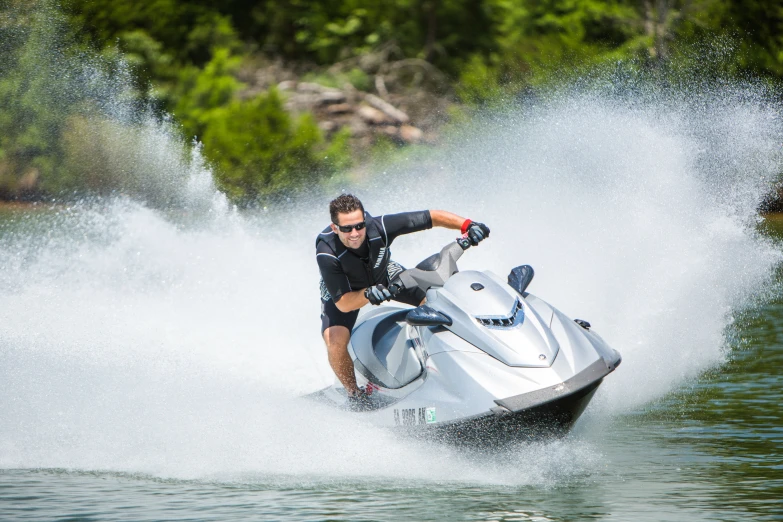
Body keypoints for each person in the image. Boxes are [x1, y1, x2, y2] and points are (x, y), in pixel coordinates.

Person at [316, 193, 490, 408]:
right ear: (335, 228)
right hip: (347, 291)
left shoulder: (379, 226)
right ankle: (355, 396)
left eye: (359, 226)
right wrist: (367, 294)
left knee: (437, 302)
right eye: (346, 229)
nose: (355, 233)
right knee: (334, 340)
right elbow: (343, 303)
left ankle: (457, 366)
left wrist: (468, 224)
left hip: (385, 275)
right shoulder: (327, 253)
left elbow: (431, 217)